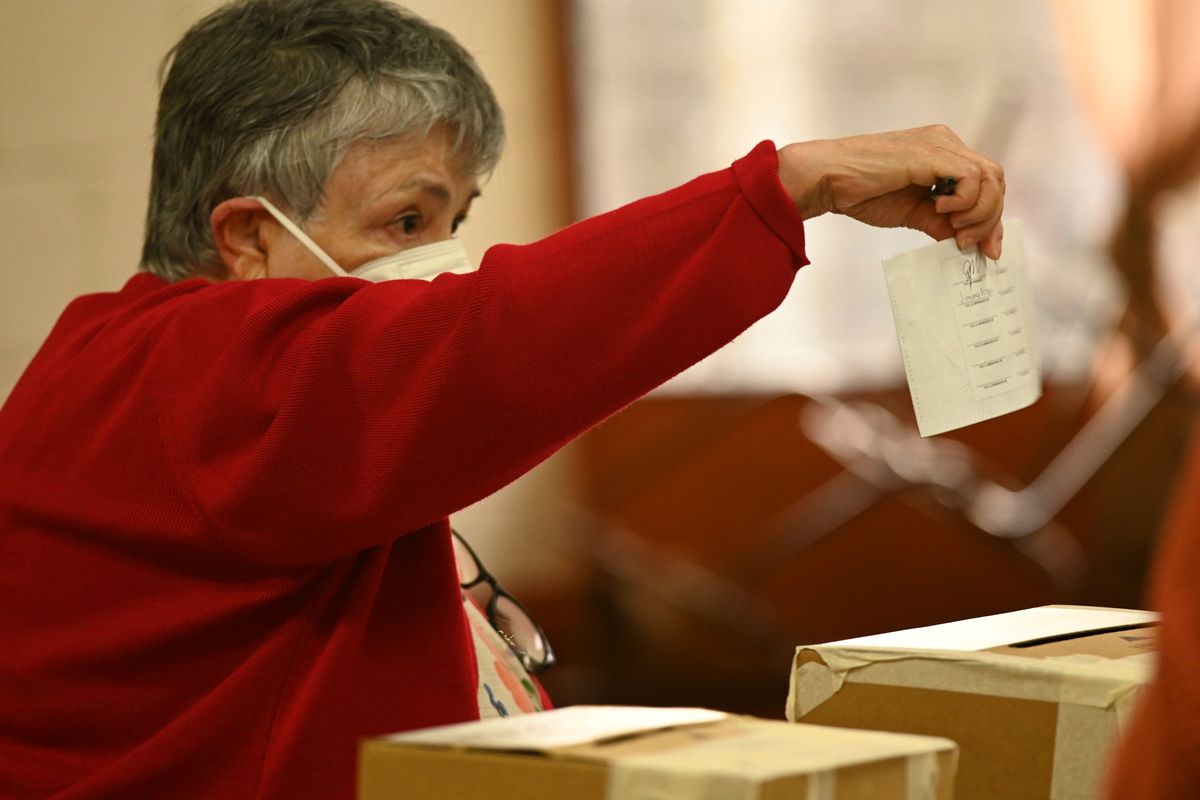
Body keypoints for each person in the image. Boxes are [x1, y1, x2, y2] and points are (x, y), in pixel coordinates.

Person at [0, 0, 1004, 798]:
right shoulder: (190, 375)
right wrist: (781, 192)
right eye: (403, 219)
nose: (439, 263)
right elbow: (490, 341)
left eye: (452, 217)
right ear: (248, 240)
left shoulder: (139, 365)